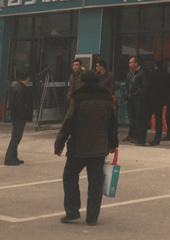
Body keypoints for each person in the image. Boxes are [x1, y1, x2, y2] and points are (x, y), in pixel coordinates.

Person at [55, 71, 118, 226]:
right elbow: (112, 124)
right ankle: (92, 217)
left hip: (79, 147)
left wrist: (59, 143)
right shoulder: (107, 99)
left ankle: (72, 213)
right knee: (95, 183)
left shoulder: (77, 98)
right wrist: (113, 144)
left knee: (70, 177)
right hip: (99, 148)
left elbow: (68, 122)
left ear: (82, 83)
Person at [5, 70, 34, 166]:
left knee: (17, 137)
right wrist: (25, 112)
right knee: (16, 137)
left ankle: (14, 157)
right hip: (19, 117)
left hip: (17, 116)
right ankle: (9, 158)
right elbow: (19, 104)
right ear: (27, 78)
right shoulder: (20, 88)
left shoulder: (18, 87)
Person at [143, 60, 170, 146]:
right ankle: (157, 139)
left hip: (151, 100)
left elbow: (148, 86)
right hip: (161, 100)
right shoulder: (167, 74)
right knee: (159, 119)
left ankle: (142, 138)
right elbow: (168, 88)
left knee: (146, 118)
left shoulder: (152, 73)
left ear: (155, 65)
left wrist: (145, 97)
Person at [124, 57, 146, 142]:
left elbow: (143, 86)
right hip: (129, 98)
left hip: (137, 99)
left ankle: (137, 136)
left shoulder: (141, 73)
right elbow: (126, 85)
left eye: (131, 63)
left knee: (137, 118)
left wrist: (138, 94)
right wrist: (126, 93)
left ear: (136, 63)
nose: (129, 64)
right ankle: (131, 135)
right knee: (131, 118)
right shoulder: (129, 74)